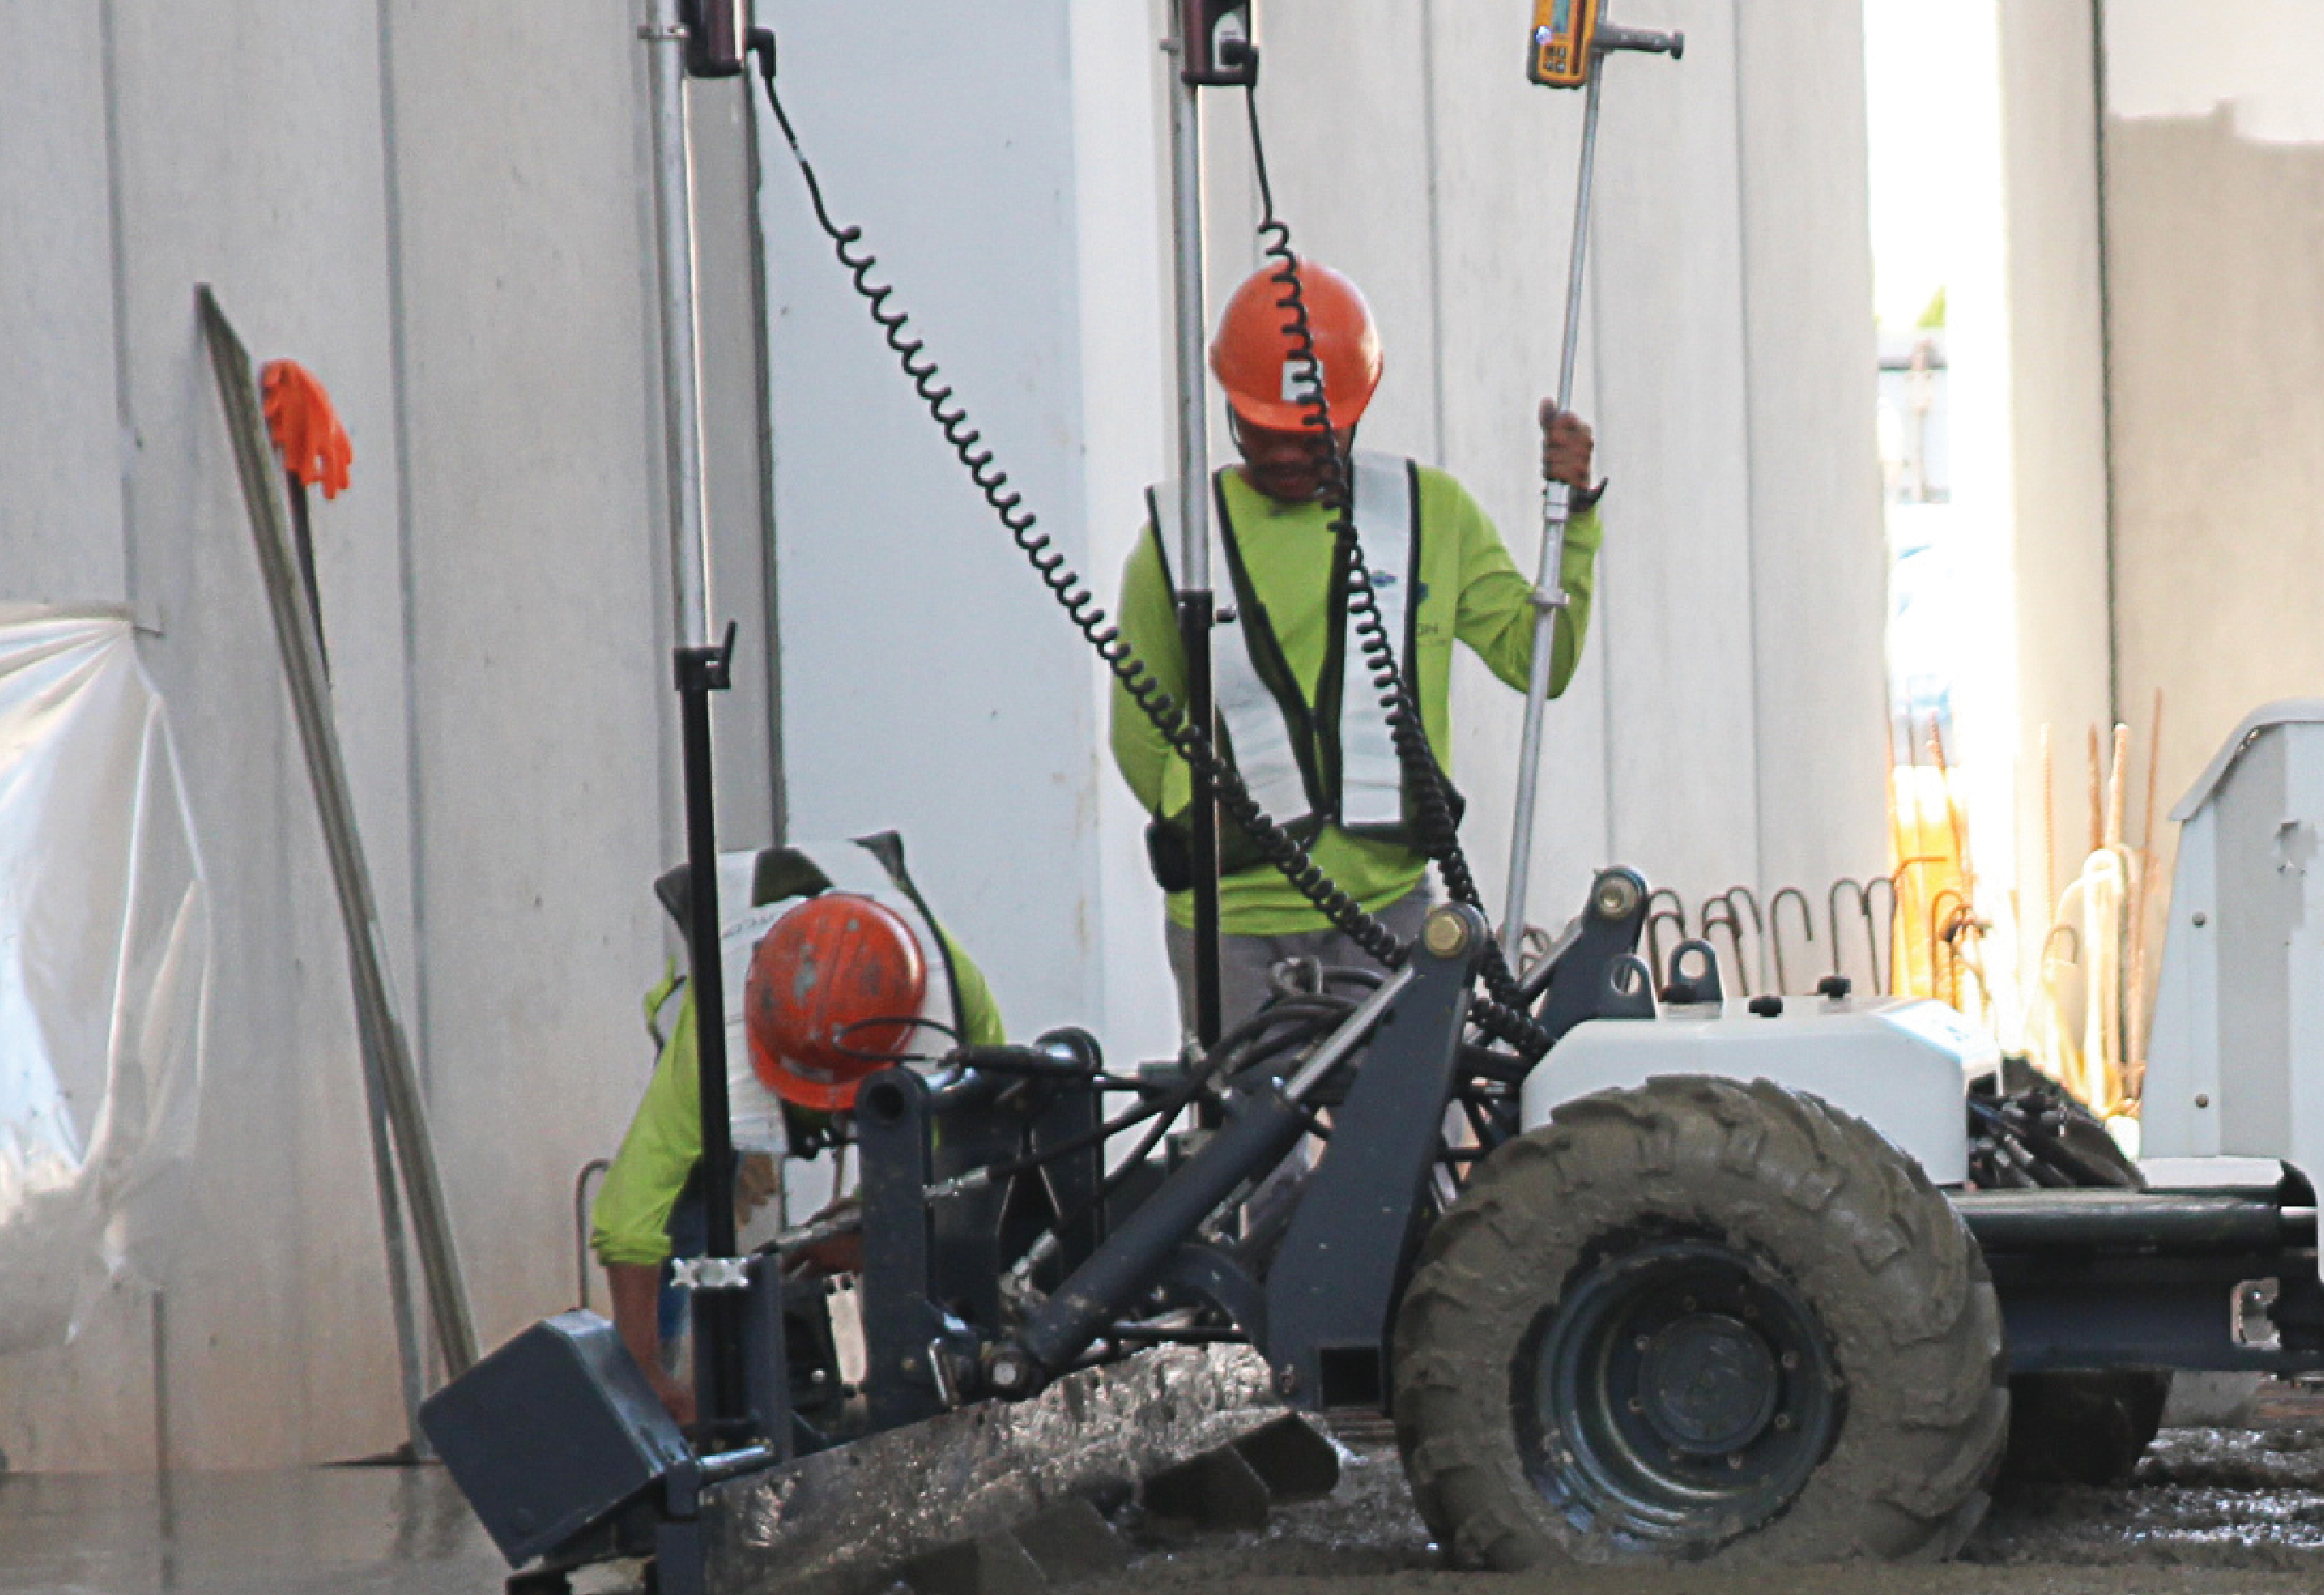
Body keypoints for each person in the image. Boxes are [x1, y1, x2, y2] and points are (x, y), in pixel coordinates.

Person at [1112, 257, 1600, 1007]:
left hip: (1391, 911)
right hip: (1231, 925)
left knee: (1404, 1121)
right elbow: (1137, 736)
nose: (1280, 454)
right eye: (1262, 430)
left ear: (1354, 411)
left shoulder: (1430, 513)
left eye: (1305, 438)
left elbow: (1541, 664)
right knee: (1246, 1125)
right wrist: (1227, 833)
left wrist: (1575, 521)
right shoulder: (1179, 543)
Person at [594, 854, 1004, 1424]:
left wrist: (867, 1222)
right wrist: (641, 1371)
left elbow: (970, 1179)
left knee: (933, 1225)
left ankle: (924, 1366)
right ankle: (661, 1389)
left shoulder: (955, 1003)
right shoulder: (714, 1036)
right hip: (743, 1022)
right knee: (688, 1197)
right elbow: (628, 1216)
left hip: (885, 1030)